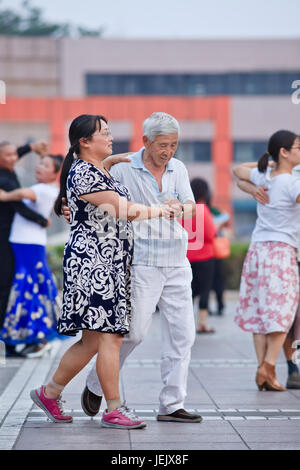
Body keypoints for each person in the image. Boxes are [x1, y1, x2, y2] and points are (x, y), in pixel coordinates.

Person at [30, 113, 174, 429]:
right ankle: (113, 408)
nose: (110, 137)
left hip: (108, 263)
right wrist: (160, 210)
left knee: (93, 341)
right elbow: (121, 209)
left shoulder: (95, 170)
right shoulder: (83, 173)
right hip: (94, 264)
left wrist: (113, 160)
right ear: (84, 141)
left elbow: (105, 179)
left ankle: (49, 392)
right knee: (110, 338)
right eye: (104, 133)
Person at [68, 112, 203, 423]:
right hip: (142, 260)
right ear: (146, 142)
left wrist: (179, 208)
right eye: (162, 145)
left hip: (176, 260)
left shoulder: (178, 168)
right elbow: (93, 193)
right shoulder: (125, 167)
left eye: (174, 145)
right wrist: (67, 205)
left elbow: (191, 205)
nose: (168, 151)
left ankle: (171, 404)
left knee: (183, 334)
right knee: (133, 333)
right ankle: (95, 383)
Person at [233, 129, 300, 391]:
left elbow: (238, 170)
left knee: (261, 312)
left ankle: (264, 372)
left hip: (257, 251)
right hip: (280, 253)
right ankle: (268, 366)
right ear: (284, 151)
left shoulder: (266, 175)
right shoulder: (292, 182)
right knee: (283, 312)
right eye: (297, 147)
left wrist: (252, 185)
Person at [0, 154, 64, 358]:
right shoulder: (47, 189)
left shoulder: (42, 189)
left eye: (45, 165)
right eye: (40, 163)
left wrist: (4, 196)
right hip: (28, 243)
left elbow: (19, 194)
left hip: (27, 244)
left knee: (28, 289)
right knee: (32, 288)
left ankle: (39, 338)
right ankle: (36, 337)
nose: (39, 167)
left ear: (54, 173)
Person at [180, 178, 217, 334]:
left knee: (188, 290)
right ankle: (202, 323)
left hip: (186, 256)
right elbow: (211, 233)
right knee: (204, 290)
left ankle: (183, 322)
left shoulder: (184, 210)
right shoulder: (202, 209)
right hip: (205, 257)